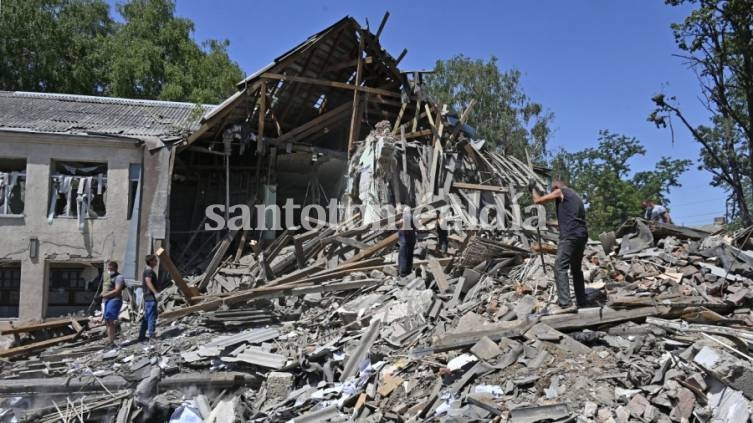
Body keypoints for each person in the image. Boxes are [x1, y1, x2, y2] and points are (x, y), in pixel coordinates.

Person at [529, 179, 589, 313]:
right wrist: (546, 223)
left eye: (553, 190)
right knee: (576, 269)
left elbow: (538, 201)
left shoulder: (561, 191)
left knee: (560, 267)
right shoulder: (576, 197)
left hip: (570, 236)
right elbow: (566, 220)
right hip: (581, 235)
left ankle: (565, 303)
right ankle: (581, 300)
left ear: (556, 187)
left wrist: (532, 189)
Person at [101, 261, 125, 347]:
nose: (109, 270)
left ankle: (111, 342)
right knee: (107, 320)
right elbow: (106, 288)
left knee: (110, 320)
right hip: (106, 300)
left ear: (116, 268)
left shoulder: (119, 277)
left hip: (115, 299)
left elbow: (117, 290)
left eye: (111, 269)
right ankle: (110, 340)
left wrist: (104, 295)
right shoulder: (108, 277)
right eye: (108, 269)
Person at [138, 254, 160, 342]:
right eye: (155, 260)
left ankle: (142, 336)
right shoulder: (149, 271)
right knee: (151, 317)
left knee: (146, 318)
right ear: (150, 261)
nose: (156, 262)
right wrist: (155, 293)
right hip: (150, 298)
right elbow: (148, 282)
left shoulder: (147, 271)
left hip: (147, 298)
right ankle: (152, 336)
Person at [398, 205, 417, 277]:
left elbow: (402, 224)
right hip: (412, 239)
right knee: (409, 255)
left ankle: (403, 273)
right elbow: (416, 228)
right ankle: (408, 271)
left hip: (405, 240)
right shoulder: (413, 217)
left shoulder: (405, 217)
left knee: (403, 256)